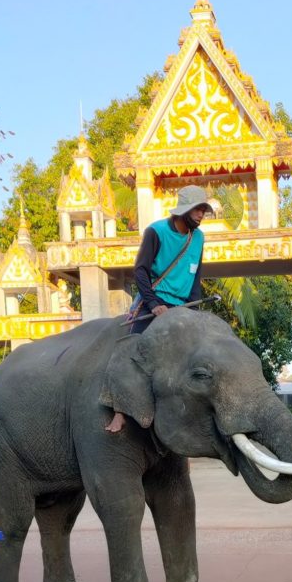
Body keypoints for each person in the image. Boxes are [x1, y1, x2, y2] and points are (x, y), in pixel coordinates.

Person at [105, 185, 214, 433]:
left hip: (183, 304)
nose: (200, 215)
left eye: (203, 211)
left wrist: (193, 310)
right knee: (131, 350)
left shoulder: (198, 238)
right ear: (184, 210)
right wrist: (153, 304)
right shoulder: (156, 232)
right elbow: (140, 270)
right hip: (153, 301)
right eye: (197, 210)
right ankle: (119, 411)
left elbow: (196, 275)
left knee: (198, 357)